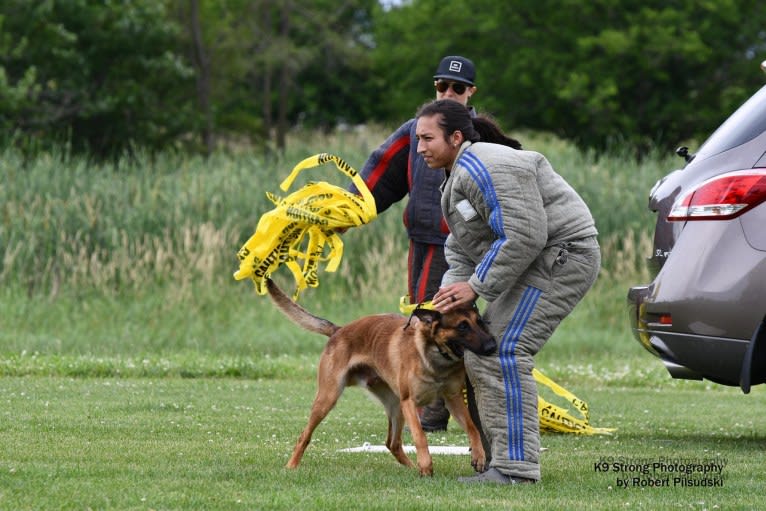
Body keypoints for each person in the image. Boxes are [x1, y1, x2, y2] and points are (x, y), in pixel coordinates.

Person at [415, 99, 601, 484]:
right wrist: (449, 296)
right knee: (481, 350)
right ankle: (496, 463)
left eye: (427, 138)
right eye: (418, 139)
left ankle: (515, 471)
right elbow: (462, 248)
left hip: (561, 256)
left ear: (455, 136)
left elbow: (526, 234)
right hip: (535, 260)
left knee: (502, 350)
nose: (419, 148)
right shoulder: (458, 174)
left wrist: (477, 286)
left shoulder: (488, 166)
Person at [353, 56, 483, 432]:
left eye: (457, 88)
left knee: (470, 326)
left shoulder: (480, 134)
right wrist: (347, 213)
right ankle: (431, 410)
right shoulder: (416, 131)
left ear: (470, 91)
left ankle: (468, 409)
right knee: (425, 321)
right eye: (441, 85)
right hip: (426, 244)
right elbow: (381, 173)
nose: (448, 92)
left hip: (473, 248)